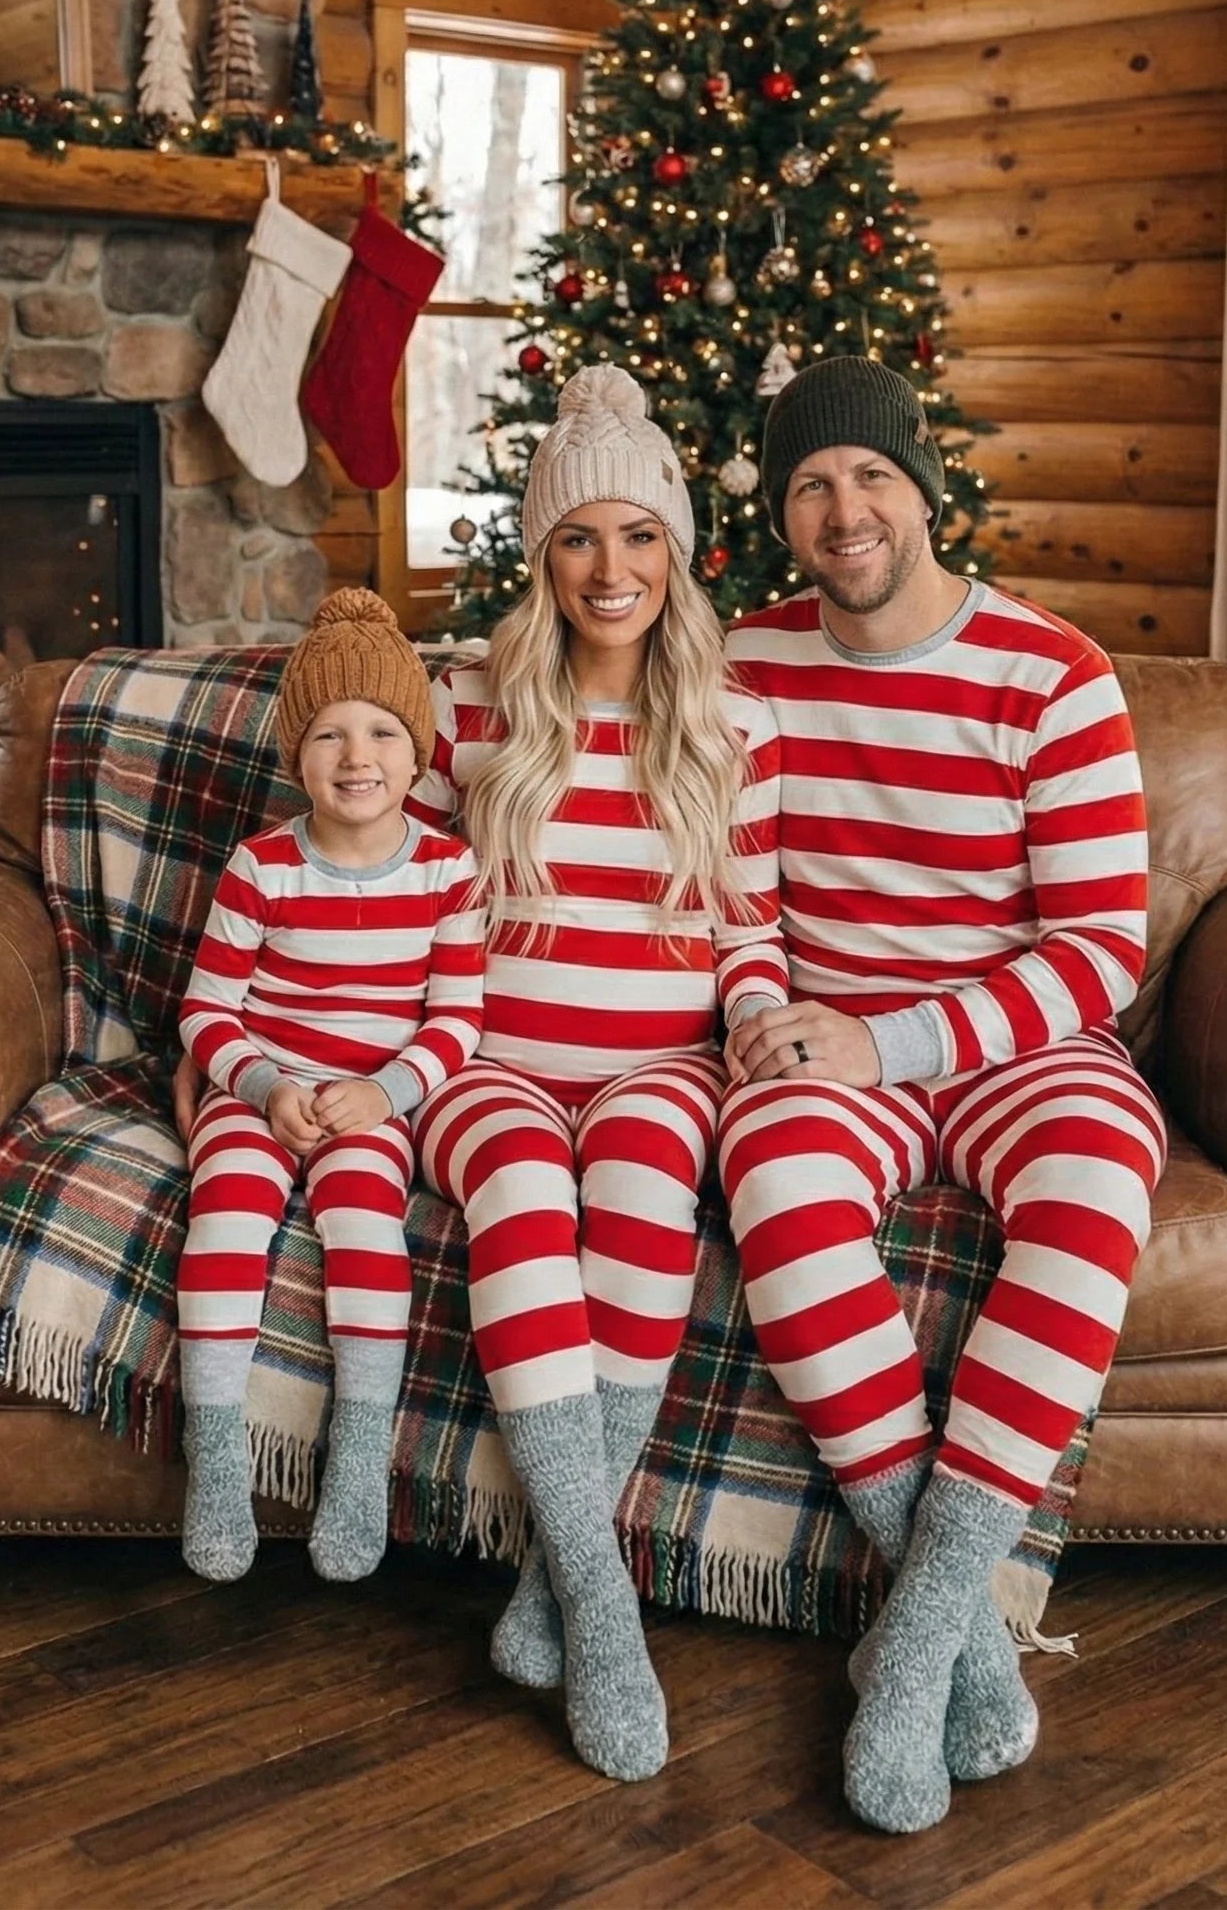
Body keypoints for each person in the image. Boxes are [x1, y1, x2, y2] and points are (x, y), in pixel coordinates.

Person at [719, 354, 1167, 1835]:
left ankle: (907, 1646)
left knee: (1100, 1180)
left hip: (1009, 1044)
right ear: (781, 516)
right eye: (808, 487)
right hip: (825, 1040)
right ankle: (962, 1626)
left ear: (920, 490)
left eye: (867, 478)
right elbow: (727, 894)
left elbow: (1101, 945)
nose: (842, 510)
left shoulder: (1053, 673)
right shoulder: (744, 665)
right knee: (773, 1179)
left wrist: (901, 1041)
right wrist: (774, 1010)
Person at [407, 363, 784, 1785]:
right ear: (538, 555)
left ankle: (547, 1592)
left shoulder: (741, 729)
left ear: (674, 551)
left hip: (663, 1069)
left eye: (635, 536)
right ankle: (602, 1606)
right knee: (511, 1189)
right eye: (576, 538)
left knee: (639, 1196)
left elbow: (751, 934)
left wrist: (755, 1032)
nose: (606, 568)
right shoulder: (464, 706)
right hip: (488, 1057)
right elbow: (395, 896)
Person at [175, 589, 484, 1588]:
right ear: (294, 755)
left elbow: (456, 1023)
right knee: (224, 1220)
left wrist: (385, 1096)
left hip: (370, 1103)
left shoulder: (447, 871)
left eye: (385, 732)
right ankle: (216, 1460)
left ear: (419, 750)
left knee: (367, 1237)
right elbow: (206, 1012)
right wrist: (261, 1085)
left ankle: (357, 1460)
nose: (359, 757)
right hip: (257, 1091)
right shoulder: (261, 867)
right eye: (330, 735)